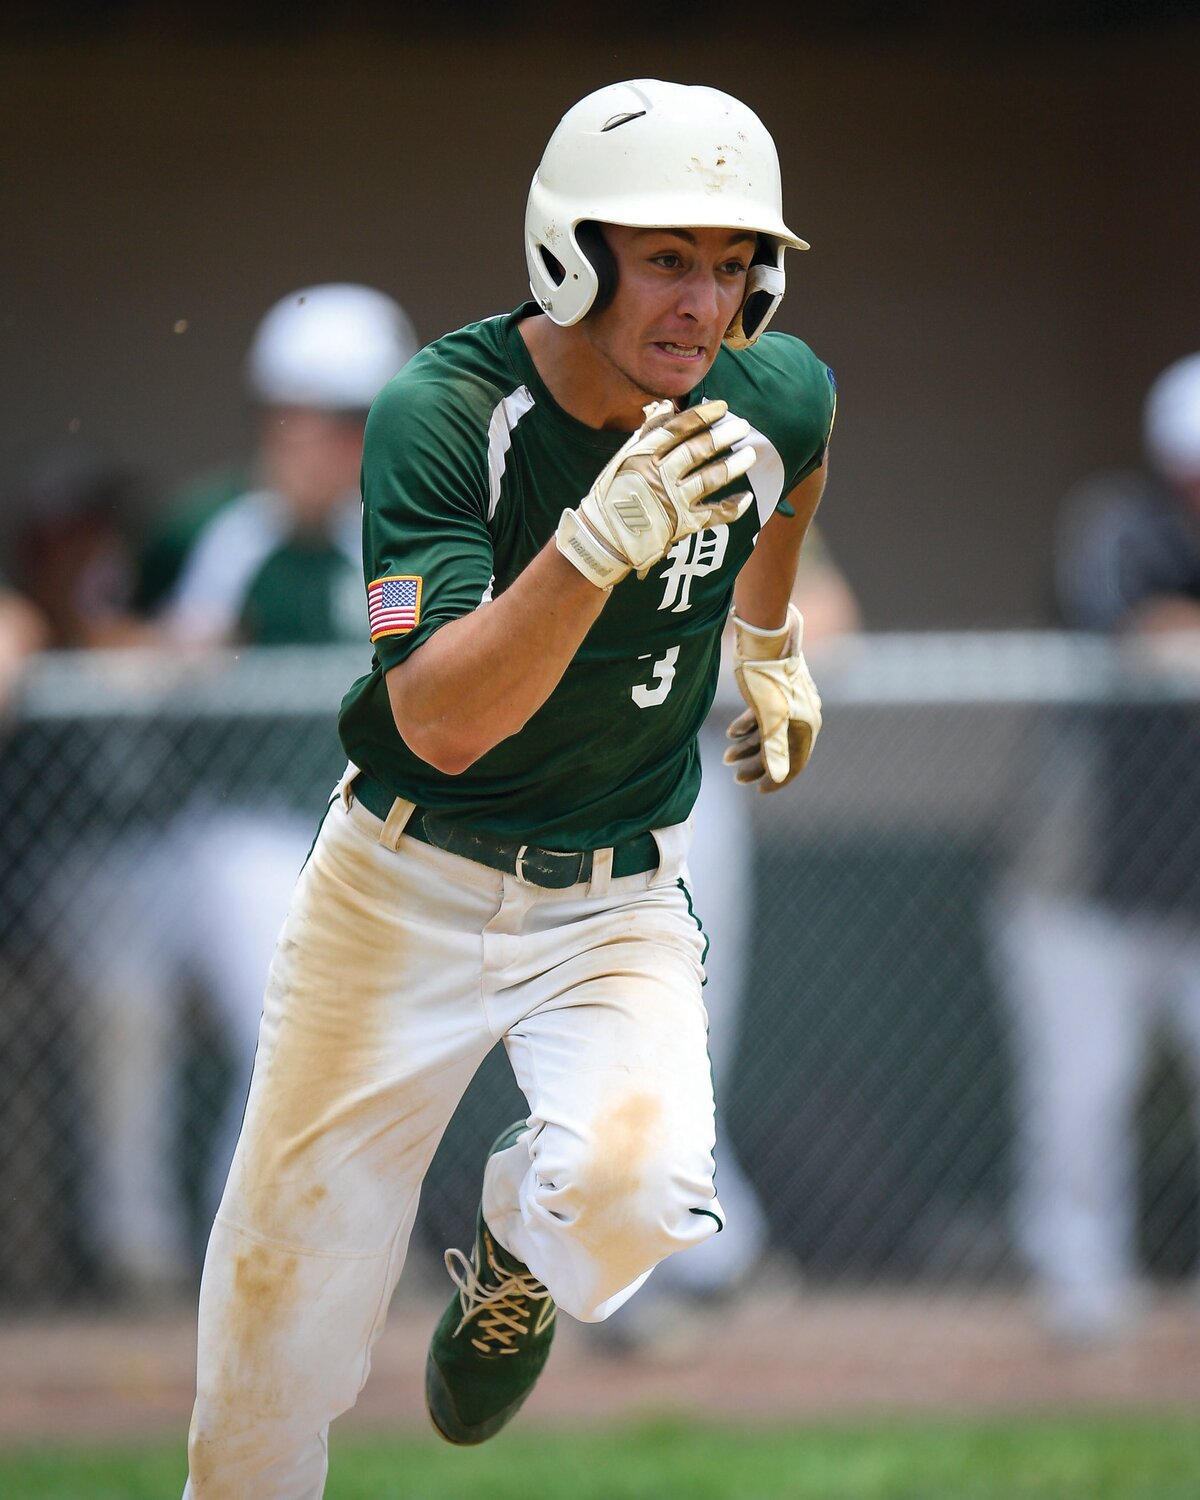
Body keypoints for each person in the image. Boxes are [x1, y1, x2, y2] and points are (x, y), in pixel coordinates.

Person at [184, 78, 838, 1497]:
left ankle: (509, 1256)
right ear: (572, 250)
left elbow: (799, 455)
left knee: (641, 1192)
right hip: (401, 884)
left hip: (612, 894)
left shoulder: (767, 384)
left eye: (734, 268)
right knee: (270, 1362)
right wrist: (592, 547)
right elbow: (439, 722)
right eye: (666, 259)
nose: (703, 307)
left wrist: (771, 642)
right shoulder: (445, 406)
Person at [992, 351, 1200, 1344]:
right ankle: (1082, 1295)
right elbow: (1141, 629)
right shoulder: (1119, 522)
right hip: (1083, 884)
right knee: (1082, 1098)